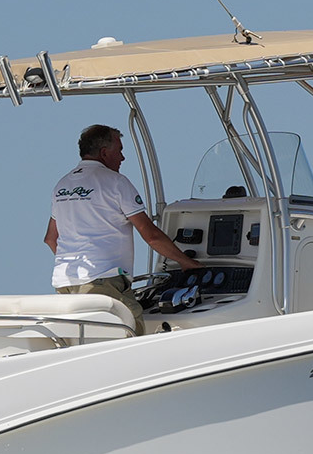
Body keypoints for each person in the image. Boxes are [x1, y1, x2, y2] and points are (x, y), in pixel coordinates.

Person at [44, 124, 200, 333]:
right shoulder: (116, 183)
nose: (123, 158)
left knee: (86, 342)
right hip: (102, 282)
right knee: (130, 336)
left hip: (65, 283)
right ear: (105, 153)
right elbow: (151, 236)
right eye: (120, 150)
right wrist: (187, 263)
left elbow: (51, 238)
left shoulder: (62, 186)